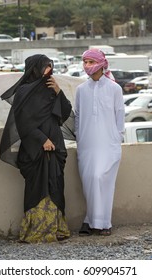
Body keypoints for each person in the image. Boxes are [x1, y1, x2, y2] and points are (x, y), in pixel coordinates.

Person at [0, 54, 72, 243]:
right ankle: (37, 231)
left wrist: (58, 91)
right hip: (36, 150)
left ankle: (57, 229)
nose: (50, 71)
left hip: (55, 147)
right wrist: (42, 140)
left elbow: (64, 114)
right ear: (35, 69)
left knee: (56, 184)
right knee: (37, 188)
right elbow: (23, 122)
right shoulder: (24, 92)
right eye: (46, 67)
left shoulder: (50, 89)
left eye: (51, 66)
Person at [74, 48, 125, 236]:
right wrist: (80, 139)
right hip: (87, 145)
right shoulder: (81, 89)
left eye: (90, 62)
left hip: (108, 144)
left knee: (101, 180)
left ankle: (104, 222)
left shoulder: (114, 88)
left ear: (101, 64)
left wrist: (116, 139)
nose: (87, 66)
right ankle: (90, 220)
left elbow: (120, 116)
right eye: (85, 62)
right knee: (89, 182)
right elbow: (78, 116)